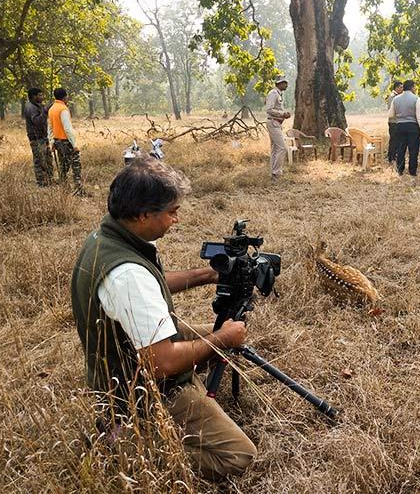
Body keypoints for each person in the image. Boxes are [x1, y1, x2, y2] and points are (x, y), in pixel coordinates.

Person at [71, 158, 256, 480]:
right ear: (144, 215)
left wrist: (206, 275)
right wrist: (223, 339)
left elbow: (150, 283)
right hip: (139, 385)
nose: (177, 219)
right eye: (172, 212)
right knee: (239, 456)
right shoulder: (127, 274)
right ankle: (126, 443)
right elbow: (162, 364)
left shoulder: (108, 237)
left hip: (121, 356)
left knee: (209, 336)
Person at [47, 88, 85, 195]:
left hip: (57, 141)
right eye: (67, 96)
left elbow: (50, 127)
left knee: (63, 166)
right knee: (76, 165)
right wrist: (74, 144)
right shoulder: (63, 109)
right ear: (64, 97)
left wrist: (52, 142)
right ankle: (78, 189)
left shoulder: (52, 109)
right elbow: (67, 128)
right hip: (66, 142)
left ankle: (63, 188)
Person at [388, 79, 420, 176]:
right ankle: (412, 171)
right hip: (413, 127)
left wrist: (400, 115)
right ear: (412, 87)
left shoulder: (396, 99)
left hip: (400, 126)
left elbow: (391, 114)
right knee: (413, 150)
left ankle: (400, 169)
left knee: (400, 149)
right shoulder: (416, 99)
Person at [24, 88, 54, 187]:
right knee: (40, 161)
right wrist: (45, 111)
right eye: (40, 95)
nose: (42, 97)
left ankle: (50, 180)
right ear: (34, 96)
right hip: (36, 139)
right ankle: (42, 183)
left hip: (43, 137)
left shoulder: (38, 105)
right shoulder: (30, 107)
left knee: (48, 159)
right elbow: (37, 122)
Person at [265, 75, 291, 181]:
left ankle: (274, 173)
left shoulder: (278, 94)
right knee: (282, 148)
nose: (286, 84)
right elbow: (269, 109)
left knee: (275, 149)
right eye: (284, 82)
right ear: (278, 84)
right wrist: (283, 114)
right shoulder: (273, 94)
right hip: (273, 122)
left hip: (277, 123)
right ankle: (276, 172)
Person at [386, 81, 404, 163]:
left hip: (397, 122)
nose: (402, 89)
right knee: (393, 140)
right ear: (396, 88)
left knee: (397, 141)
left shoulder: (398, 96)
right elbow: (392, 110)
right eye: (400, 87)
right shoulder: (392, 97)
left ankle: (395, 157)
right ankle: (391, 157)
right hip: (393, 122)